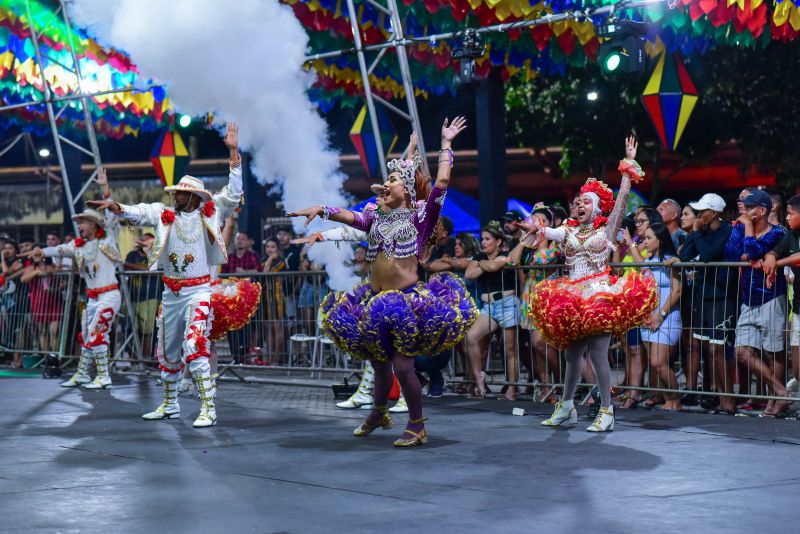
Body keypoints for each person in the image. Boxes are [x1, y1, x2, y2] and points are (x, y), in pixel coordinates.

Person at [288, 119, 476, 447]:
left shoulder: (421, 216)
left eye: (391, 181)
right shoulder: (374, 217)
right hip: (374, 302)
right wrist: (322, 210)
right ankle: (378, 412)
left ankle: (417, 424)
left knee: (404, 367)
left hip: (407, 302)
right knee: (378, 364)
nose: (384, 186)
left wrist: (446, 144)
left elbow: (442, 181)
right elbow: (349, 216)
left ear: (406, 188)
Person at [90, 124, 243, 427]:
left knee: (195, 345)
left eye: (181, 193)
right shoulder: (163, 214)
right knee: (167, 349)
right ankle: (170, 405)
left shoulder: (210, 212)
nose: (175, 196)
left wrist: (233, 151)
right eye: (175, 192)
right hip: (170, 293)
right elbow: (139, 211)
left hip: (198, 292)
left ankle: (208, 408)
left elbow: (235, 194)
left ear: (194, 197)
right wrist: (117, 205)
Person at [524, 136, 657, 432]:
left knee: (597, 354)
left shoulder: (607, 229)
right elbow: (546, 231)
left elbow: (622, 201)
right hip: (572, 295)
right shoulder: (569, 231)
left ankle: (607, 411)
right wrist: (530, 226)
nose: (578, 204)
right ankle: (567, 406)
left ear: (596, 208)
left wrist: (626, 170)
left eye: (585, 201)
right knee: (572, 354)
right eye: (577, 201)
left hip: (598, 295)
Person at [26, 198, 122, 389]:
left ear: (93, 224)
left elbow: (113, 217)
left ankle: (103, 376)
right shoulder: (77, 246)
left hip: (109, 296)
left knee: (97, 334)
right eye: (78, 223)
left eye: (82, 223)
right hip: (92, 298)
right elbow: (58, 249)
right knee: (87, 336)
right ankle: (82, 374)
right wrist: (41, 252)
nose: (79, 226)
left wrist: (106, 191)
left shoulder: (108, 239)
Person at [725, 189, 790, 416]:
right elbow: (731, 254)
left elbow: (751, 249)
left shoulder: (777, 233)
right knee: (742, 351)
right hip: (748, 299)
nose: (744, 210)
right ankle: (781, 391)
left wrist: (749, 238)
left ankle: (775, 401)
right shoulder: (741, 228)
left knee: (773, 353)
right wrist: (750, 255)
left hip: (771, 296)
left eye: (749, 207)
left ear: (762, 210)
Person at [679, 193, 735, 411]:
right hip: (705, 296)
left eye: (702, 212)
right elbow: (686, 258)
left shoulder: (726, 230)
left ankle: (728, 400)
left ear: (713, 213)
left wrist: (695, 232)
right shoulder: (701, 232)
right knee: (710, 351)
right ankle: (721, 399)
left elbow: (709, 255)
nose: (699, 216)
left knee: (718, 350)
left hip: (722, 296)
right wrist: (695, 232)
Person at [463, 221, 521, 400]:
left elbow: (495, 266)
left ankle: (512, 389)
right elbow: (468, 275)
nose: (483, 242)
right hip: (489, 307)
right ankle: (478, 378)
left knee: (510, 349)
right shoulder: (481, 256)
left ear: (498, 242)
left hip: (507, 303)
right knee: (470, 337)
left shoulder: (506, 255)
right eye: (482, 239)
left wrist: (484, 264)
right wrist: (484, 263)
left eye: (488, 239)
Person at [762, 194, 800, 412]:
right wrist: (770, 257)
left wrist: (776, 263)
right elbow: (774, 251)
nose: (787, 217)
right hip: (799, 308)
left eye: (791, 213)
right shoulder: (791, 236)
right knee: (797, 369)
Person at [639, 223, 683, 411]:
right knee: (655, 365)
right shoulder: (647, 262)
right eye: (644, 238)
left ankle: (675, 400)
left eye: (649, 238)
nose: (645, 242)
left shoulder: (671, 260)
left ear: (660, 239)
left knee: (660, 362)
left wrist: (661, 314)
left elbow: (677, 291)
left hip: (667, 317)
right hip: (648, 319)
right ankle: (668, 400)